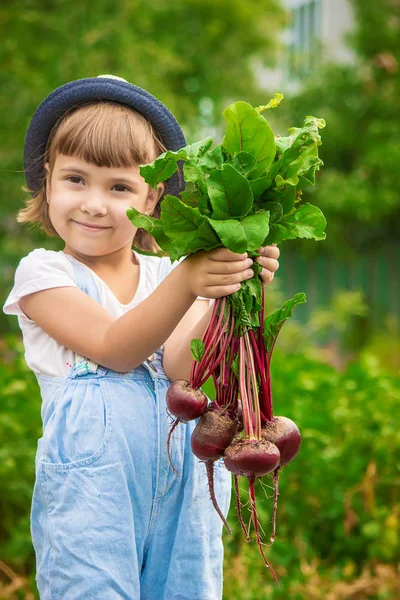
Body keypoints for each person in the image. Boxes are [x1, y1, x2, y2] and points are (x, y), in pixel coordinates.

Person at [3, 75, 280, 600]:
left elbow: (180, 367)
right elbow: (117, 348)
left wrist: (226, 286)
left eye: (119, 187)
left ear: (152, 197)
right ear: (47, 179)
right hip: (94, 500)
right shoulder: (43, 274)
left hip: (183, 494)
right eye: (76, 180)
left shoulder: (162, 274)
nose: (93, 204)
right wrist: (188, 280)